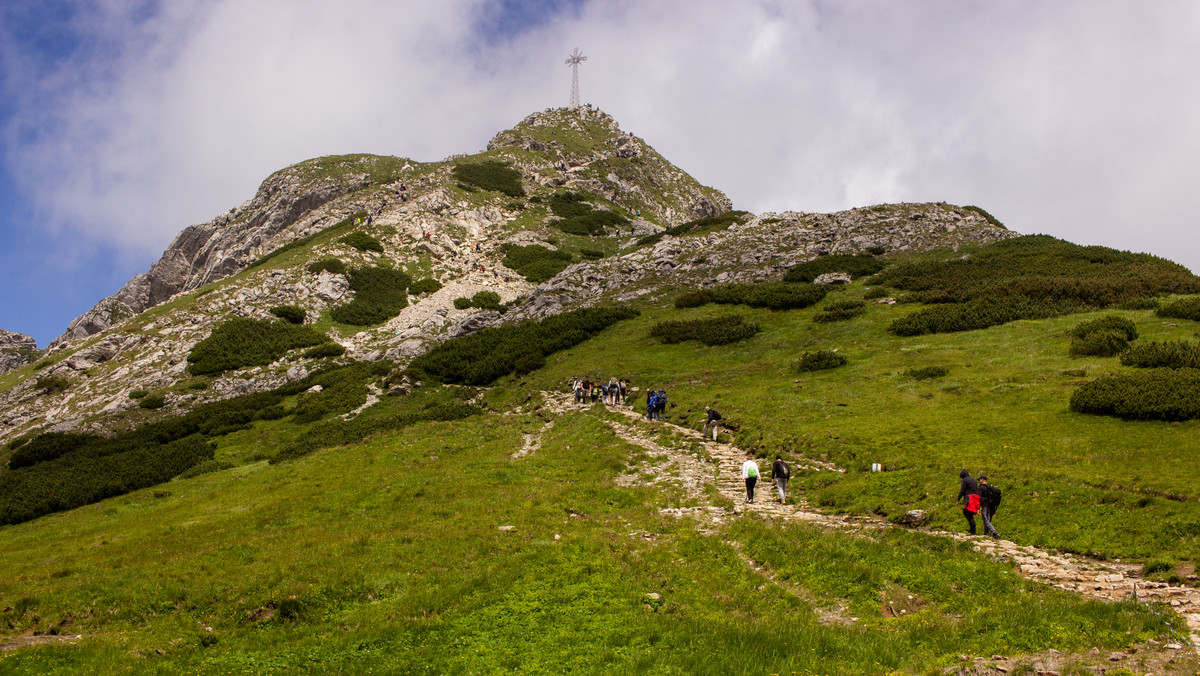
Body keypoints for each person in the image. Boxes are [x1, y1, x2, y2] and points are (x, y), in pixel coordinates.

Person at [956, 469, 981, 535]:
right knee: (970, 513)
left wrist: (958, 499)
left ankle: (973, 530)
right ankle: (972, 529)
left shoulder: (964, 480)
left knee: (967, 512)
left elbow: (962, 490)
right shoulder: (974, 480)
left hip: (969, 498)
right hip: (976, 497)